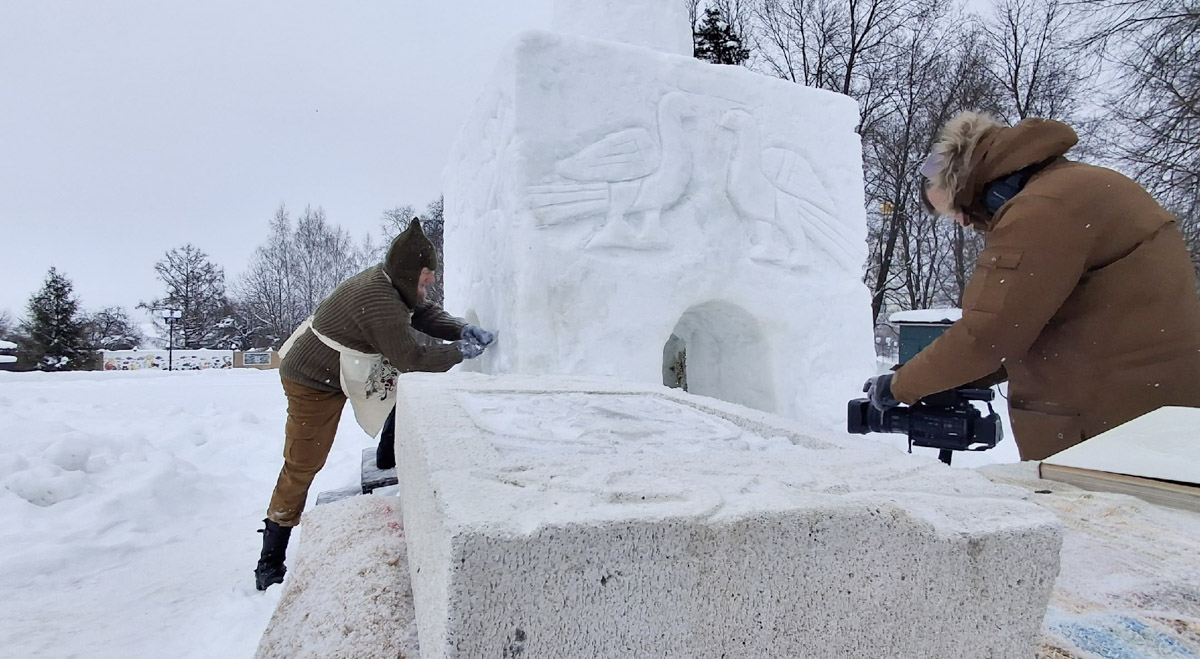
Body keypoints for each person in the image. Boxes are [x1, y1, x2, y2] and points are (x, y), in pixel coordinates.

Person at [865, 111, 1200, 461]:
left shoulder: (1042, 208)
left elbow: (989, 334)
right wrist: (935, 380)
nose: (963, 223)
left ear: (974, 188)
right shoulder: (1076, 188)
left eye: (957, 210)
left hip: (1109, 430)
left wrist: (899, 387)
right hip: (1150, 416)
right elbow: (1025, 333)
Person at [254, 218, 496, 591]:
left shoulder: (396, 287)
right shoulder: (378, 300)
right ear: (406, 272)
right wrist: (458, 352)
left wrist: (460, 328)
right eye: (426, 274)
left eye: (432, 272)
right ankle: (271, 555)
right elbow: (411, 358)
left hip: (349, 363)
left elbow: (425, 314)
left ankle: (388, 456)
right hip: (313, 379)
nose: (431, 281)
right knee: (304, 463)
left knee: (403, 391)